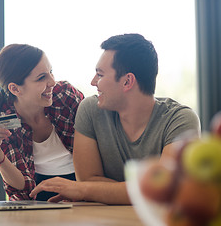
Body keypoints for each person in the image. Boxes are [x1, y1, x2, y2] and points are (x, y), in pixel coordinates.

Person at [29, 33, 201, 204]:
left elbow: (165, 190)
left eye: (100, 75)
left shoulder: (181, 120)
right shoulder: (90, 110)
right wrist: (136, 191)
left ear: (127, 81)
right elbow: (88, 179)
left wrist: (84, 190)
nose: (93, 82)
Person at [0, 44, 84, 201]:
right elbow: (23, 190)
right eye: (42, 78)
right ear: (15, 89)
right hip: (36, 198)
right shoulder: (3, 125)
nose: (52, 82)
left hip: (81, 187)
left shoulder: (65, 96)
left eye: (51, 72)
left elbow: (97, 144)